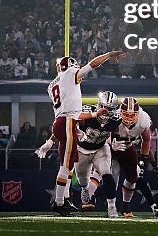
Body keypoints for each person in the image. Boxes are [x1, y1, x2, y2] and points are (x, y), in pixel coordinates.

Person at [47, 50, 125, 216]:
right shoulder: (71, 78)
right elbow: (93, 64)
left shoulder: (53, 84)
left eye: (110, 109)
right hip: (81, 147)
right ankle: (63, 200)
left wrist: (114, 141)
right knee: (75, 175)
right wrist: (109, 54)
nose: (108, 112)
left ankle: (112, 207)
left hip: (99, 147)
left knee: (106, 172)